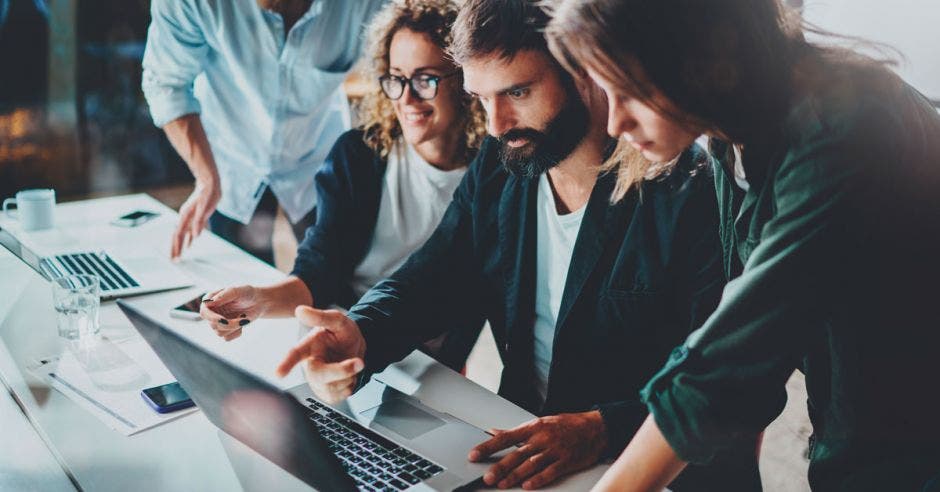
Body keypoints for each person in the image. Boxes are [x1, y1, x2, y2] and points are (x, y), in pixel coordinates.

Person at [274, 1, 761, 489]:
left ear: (582, 72)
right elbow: (436, 273)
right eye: (481, 99)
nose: (496, 125)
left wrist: (600, 428)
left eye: (518, 92)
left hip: (656, 473)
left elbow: (728, 383)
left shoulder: (690, 190)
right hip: (525, 453)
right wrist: (361, 332)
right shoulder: (503, 160)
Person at [545, 0, 940, 490]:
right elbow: (744, 342)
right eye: (606, 92)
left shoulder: (843, 132)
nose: (614, 124)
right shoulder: (730, 132)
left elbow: (734, 358)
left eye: (631, 92)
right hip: (859, 427)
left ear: (698, 57)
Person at [199, 0, 487, 371]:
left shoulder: (491, 177)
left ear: (466, 81)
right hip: (340, 337)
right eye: (396, 78)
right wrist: (258, 300)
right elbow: (318, 271)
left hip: (428, 359)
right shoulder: (358, 156)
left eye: (425, 79)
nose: (407, 98)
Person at [142, 0, 385, 264]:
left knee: (337, 276)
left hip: (317, 152)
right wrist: (206, 177)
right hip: (230, 162)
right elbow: (167, 85)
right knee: (240, 286)